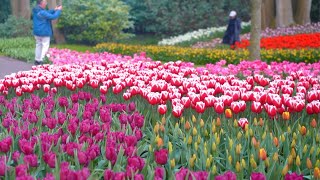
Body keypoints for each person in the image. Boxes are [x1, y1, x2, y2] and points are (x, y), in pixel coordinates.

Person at [33, 0, 62, 65]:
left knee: (38, 45)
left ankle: (37, 60)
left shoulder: (36, 10)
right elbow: (53, 17)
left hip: (37, 32)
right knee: (45, 46)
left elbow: (46, 13)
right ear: (41, 3)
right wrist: (59, 10)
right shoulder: (42, 12)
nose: (46, 3)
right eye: (45, 2)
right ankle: (42, 60)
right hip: (44, 32)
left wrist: (54, 10)